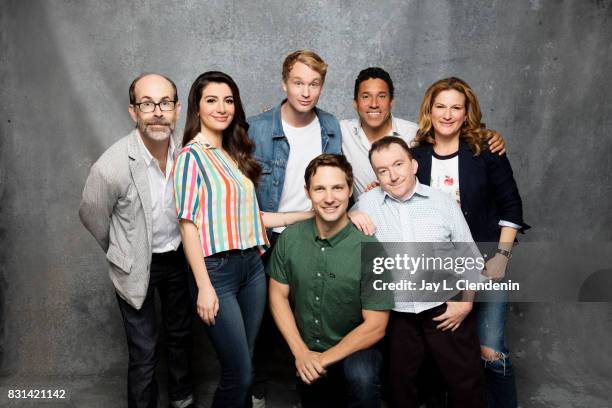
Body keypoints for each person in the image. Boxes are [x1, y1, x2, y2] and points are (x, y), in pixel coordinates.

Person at [174, 71, 313, 408]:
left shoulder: (233, 156)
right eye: (211, 100)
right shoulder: (191, 157)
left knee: (245, 365)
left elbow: (257, 219)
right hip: (216, 272)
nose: (221, 108)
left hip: (251, 268)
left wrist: (311, 215)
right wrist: (204, 285)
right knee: (240, 373)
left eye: (228, 100)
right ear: (197, 107)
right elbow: (187, 224)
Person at [410, 77, 530, 408]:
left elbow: (512, 207)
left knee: (489, 349)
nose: (447, 114)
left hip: (487, 262)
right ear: (429, 110)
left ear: (466, 113)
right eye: (440, 106)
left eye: (456, 107)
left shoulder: (486, 151)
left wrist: (502, 257)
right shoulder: (414, 157)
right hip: (438, 272)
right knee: (442, 356)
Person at [79, 73, 195, 408]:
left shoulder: (186, 156)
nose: (157, 112)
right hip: (136, 263)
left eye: (165, 103)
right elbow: (92, 214)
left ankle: (182, 400)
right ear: (133, 112)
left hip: (178, 258)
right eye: (147, 103)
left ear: (176, 109)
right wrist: (120, 250)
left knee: (181, 338)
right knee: (144, 351)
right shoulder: (111, 166)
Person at [353, 136, 486, 408]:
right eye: (382, 170)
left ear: (413, 165)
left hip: (447, 308)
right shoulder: (365, 205)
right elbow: (330, 224)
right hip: (397, 314)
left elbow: (471, 257)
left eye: (398, 164)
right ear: (376, 175)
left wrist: (466, 301)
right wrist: (348, 216)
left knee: (465, 384)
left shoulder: (443, 203)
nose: (392, 175)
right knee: (401, 388)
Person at [247, 49, 343, 406]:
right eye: (298, 82)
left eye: (314, 84)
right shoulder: (256, 127)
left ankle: (312, 389)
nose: (305, 91)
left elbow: (380, 135)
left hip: (314, 236)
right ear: (283, 82)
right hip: (266, 236)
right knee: (259, 321)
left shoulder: (331, 126)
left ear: (322, 87)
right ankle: (255, 390)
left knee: (312, 316)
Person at [268, 154, 394, 408]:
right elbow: (277, 296)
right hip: (307, 348)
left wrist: (321, 360)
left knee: (361, 376)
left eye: (337, 188)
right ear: (308, 192)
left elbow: (376, 326)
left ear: (349, 191)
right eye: (320, 189)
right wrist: (301, 353)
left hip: (358, 348)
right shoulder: (290, 239)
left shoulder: (371, 249)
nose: (329, 198)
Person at [340, 67, 506, 198]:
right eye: (366, 97)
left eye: (382, 96)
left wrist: (487, 136)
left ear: (392, 102)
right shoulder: (339, 131)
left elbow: (450, 134)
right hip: (364, 220)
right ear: (355, 103)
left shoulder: (416, 134)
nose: (374, 104)